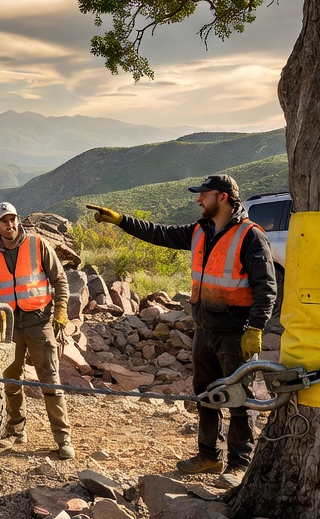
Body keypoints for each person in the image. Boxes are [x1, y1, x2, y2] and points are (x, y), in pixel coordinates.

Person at [87, 174, 277, 489]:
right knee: (206, 393)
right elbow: (159, 233)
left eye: (204, 195)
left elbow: (266, 288)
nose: (198, 200)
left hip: (235, 333)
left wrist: (255, 328)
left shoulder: (250, 236)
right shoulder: (200, 231)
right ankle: (208, 456)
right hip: (205, 329)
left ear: (224, 197)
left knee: (239, 399)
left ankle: (240, 464)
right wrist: (121, 221)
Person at [0, 203, 74, 459]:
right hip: (9, 326)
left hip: (39, 322)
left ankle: (63, 438)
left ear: (17, 220)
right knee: (11, 382)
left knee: (51, 382)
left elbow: (60, 279)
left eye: (12, 219)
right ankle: (16, 430)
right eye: (4, 221)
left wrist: (61, 310)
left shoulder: (37, 244)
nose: (10, 225)